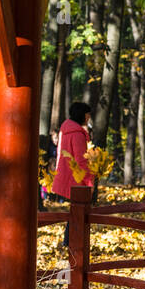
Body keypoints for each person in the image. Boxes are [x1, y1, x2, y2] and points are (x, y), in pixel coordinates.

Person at [52, 102, 95, 245]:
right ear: (82, 115)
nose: (89, 117)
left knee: (75, 211)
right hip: (76, 179)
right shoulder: (77, 134)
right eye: (88, 114)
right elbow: (81, 161)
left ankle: (70, 241)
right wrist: (89, 182)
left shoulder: (65, 130)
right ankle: (72, 243)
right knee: (78, 213)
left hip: (67, 176)